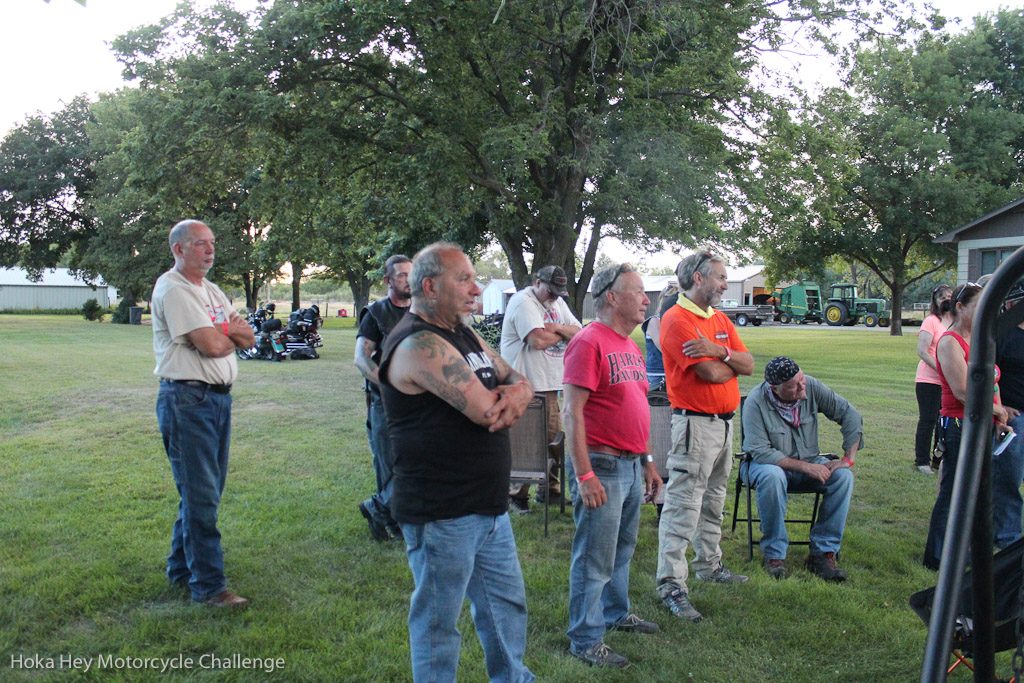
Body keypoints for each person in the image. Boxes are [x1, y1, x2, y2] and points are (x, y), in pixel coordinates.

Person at [378, 242, 536, 683]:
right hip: (441, 512)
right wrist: (514, 392)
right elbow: (488, 411)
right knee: (437, 624)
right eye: (464, 279)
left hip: (486, 507)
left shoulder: (462, 332)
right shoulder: (420, 344)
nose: (476, 287)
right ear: (429, 285)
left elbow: (514, 377)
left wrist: (520, 390)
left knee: (505, 608)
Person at [563, 262, 663, 669]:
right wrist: (584, 474)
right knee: (594, 557)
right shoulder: (589, 342)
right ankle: (585, 640)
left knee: (622, 550)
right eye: (638, 292)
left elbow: (636, 409)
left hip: (630, 466)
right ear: (611, 297)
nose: (646, 300)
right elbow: (571, 412)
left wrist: (650, 462)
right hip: (601, 465)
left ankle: (615, 613)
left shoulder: (629, 344)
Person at [152, 219, 255, 608]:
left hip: (216, 401)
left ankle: (181, 569)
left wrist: (223, 332)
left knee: (203, 493)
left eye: (212, 242)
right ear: (179, 249)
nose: (210, 250)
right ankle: (210, 587)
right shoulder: (174, 289)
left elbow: (249, 337)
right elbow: (213, 345)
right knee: (201, 496)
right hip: (188, 402)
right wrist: (224, 331)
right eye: (200, 244)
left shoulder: (210, 290)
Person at [655, 250, 753, 624]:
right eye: (721, 278)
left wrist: (719, 350)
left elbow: (748, 363)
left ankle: (709, 565)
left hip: (725, 425)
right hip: (695, 426)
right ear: (699, 278)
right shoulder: (676, 319)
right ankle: (671, 585)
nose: (726, 285)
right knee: (682, 506)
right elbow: (712, 375)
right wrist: (728, 361)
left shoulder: (719, 319)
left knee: (714, 500)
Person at [741, 357, 861, 581]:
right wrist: (807, 468)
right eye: (793, 385)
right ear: (775, 389)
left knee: (843, 477)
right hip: (765, 466)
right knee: (772, 476)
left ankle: (822, 555)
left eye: (802, 379)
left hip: (808, 461)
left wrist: (848, 458)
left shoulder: (812, 386)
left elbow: (850, 414)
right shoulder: (755, 401)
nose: (801, 386)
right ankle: (774, 555)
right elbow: (761, 452)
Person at [923, 282, 1016, 570]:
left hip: (982, 425)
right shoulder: (950, 341)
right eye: (981, 308)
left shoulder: (981, 339)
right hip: (960, 426)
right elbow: (964, 392)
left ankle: (965, 551)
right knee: (954, 491)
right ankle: (937, 556)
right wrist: (1000, 410)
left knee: (977, 493)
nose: (988, 314)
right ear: (960, 308)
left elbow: (993, 381)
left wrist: (998, 419)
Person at [500, 265, 582, 511]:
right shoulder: (523, 302)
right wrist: (561, 333)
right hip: (525, 386)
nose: (555, 297)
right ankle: (516, 494)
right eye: (551, 291)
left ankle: (550, 491)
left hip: (551, 385)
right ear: (537, 282)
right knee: (527, 445)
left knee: (554, 442)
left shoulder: (556, 304)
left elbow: (578, 332)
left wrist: (554, 328)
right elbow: (537, 340)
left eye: (559, 292)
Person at [354, 254, 412, 541]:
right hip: (386, 403)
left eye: (411, 274)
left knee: (413, 462)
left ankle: (377, 509)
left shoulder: (420, 312)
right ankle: (389, 518)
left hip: (419, 403)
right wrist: (388, 386)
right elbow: (361, 360)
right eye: (401, 275)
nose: (408, 280)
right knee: (389, 466)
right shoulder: (376, 313)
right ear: (388, 280)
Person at [995, 280, 1024, 547]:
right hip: (1014, 417)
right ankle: (1007, 536)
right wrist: (1000, 408)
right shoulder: (1003, 335)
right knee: (1010, 476)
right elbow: (989, 376)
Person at [914, 285, 953, 474]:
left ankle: (939, 459)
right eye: (942, 297)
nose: (946, 300)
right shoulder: (931, 321)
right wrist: (941, 369)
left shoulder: (954, 321)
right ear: (935, 302)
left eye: (949, 297)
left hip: (948, 382)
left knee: (944, 421)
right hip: (928, 381)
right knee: (928, 420)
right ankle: (922, 461)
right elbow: (922, 351)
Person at [641, 283, 680, 393]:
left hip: (674, 375)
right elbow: (665, 348)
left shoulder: (677, 321)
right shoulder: (654, 321)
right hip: (658, 378)